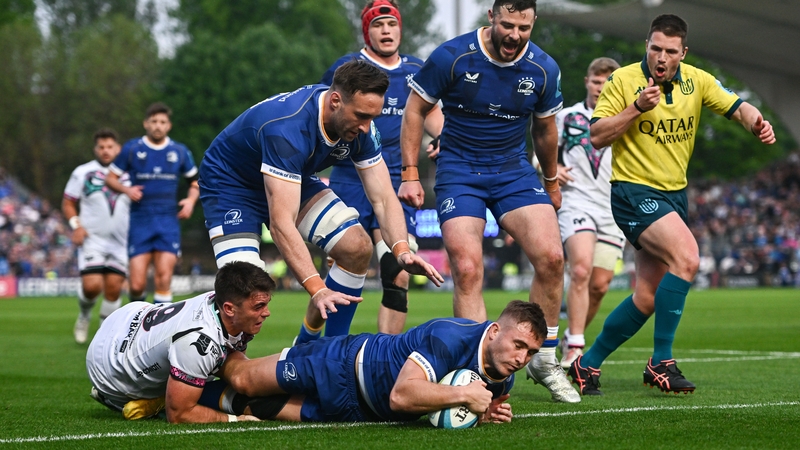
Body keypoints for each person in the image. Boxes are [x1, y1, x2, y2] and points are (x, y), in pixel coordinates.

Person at [568, 14, 776, 396]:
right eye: (655, 49)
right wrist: (635, 109)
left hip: (673, 195)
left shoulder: (696, 80)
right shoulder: (623, 80)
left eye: (670, 51)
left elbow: (737, 106)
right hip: (633, 193)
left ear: (683, 53)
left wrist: (756, 122)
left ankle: (587, 364)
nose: (661, 58)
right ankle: (661, 361)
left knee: (647, 296)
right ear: (647, 46)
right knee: (689, 258)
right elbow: (596, 136)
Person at [398, 0, 579, 403]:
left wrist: (551, 180)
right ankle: (474, 375)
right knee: (466, 267)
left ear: (534, 24)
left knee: (552, 258)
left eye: (525, 28)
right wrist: (410, 173)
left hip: (513, 171)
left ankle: (545, 359)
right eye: (509, 25)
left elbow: (546, 131)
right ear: (492, 18)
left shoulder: (544, 68)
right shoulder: (452, 56)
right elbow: (415, 111)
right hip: (460, 170)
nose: (515, 35)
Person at [198, 60, 443, 346]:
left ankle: (330, 350)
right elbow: (281, 225)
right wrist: (317, 289)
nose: (367, 128)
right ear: (336, 101)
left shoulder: (362, 129)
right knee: (243, 292)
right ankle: (221, 372)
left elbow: (384, 198)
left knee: (356, 246)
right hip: (232, 185)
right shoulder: (287, 129)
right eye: (362, 116)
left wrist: (401, 250)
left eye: (372, 117)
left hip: (291, 177)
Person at [204, 300, 545, 424]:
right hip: (343, 363)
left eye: (530, 353)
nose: (521, 359)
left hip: (360, 412)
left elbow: (444, 409)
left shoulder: (504, 377)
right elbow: (403, 395)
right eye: (518, 345)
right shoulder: (451, 336)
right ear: (495, 330)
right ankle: (202, 344)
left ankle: (184, 394)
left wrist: (480, 414)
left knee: (252, 407)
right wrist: (466, 397)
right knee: (245, 379)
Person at [321, 0, 444, 334]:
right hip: (350, 179)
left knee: (398, 273)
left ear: (400, 29)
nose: (386, 31)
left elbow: (431, 114)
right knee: (339, 269)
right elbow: (323, 113)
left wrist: (445, 139)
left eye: (392, 24)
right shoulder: (347, 67)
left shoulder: (417, 70)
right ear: (367, 31)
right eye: (378, 25)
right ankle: (317, 348)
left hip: (395, 182)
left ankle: (383, 356)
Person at [85, 261, 274, 423]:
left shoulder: (224, 302)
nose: (266, 313)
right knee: (193, 384)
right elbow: (179, 415)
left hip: (129, 316)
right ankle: (123, 399)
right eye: (259, 306)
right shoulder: (199, 341)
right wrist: (234, 420)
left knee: (210, 367)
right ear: (229, 309)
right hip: (107, 365)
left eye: (266, 304)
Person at [551, 57, 625, 369]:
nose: (601, 87)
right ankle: (576, 349)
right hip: (576, 201)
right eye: (597, 81)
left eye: (608, 82)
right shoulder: (567, 117)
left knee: (600, 285)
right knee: (580, 270)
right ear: (586, 81)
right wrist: (551, 167)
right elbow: (541, 153)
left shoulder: (625, 118)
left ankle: (572, 336)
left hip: (613, 207)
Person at [105, 102, 199, 306]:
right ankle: (137, 325)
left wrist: (191, 201)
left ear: (169, 126)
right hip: (141, 219)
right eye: (154, 121)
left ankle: (159, 331)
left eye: (162, 122)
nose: (158, 126)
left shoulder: (180, 151)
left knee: (164, 279)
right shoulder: (132, 148)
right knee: (137, 285)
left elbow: (195, 182)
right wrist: (126, 189)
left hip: (168, 220)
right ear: (145, 124)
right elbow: (110, 178)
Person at [63, 128, 131, 344]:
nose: (105, 151)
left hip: (121, 242)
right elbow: (68, 202)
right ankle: (84, 316)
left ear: (118, 148)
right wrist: (76, 226)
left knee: (113, 289)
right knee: (92, 286)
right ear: (95, 149)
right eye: (101, 147)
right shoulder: (82, 172)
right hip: (92, 239)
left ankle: (104, 337)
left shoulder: (129, 172)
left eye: (110, 146)